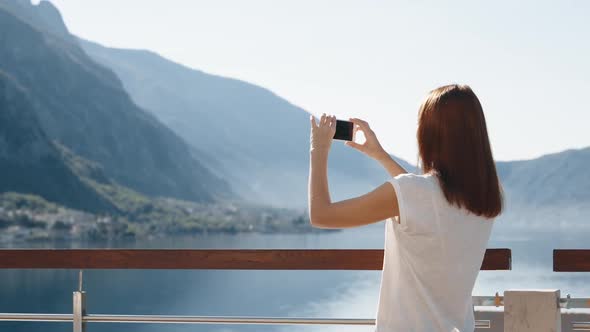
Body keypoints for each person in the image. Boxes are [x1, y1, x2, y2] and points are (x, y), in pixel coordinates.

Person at [307, 84, 503, 332]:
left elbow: (322, 215)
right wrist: (381, 156)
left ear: (431, 134)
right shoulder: (483, 199)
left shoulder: (416, 194)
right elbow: (422, 203)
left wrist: (319, 149)